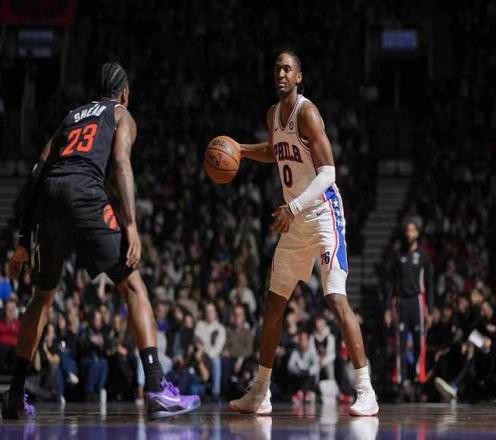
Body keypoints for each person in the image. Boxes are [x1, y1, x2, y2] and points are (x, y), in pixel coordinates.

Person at [2, 63, 200, 419]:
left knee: (42, 298)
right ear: (124, 93)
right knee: (134, 287)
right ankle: (156, 387)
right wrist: (131, 225)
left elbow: (37, 172)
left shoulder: (71, 117)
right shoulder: (121, 114)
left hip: (49, 198)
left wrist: (22, 240)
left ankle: (15, 395)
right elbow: (121, 163)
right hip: (85, 194)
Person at [229, 49, 378, 416]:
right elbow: (276, 151)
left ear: (299, 77)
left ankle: (366, 390)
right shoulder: (272, 115)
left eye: (287, 69)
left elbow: (329, 173)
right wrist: (242, 151)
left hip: (324, 214)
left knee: (335, 298)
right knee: (273, 304)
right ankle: (260, 392)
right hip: (295, 220)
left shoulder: (307, 113)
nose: (281, 73)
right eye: (277, 68)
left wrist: (293, 207)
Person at [385, 218, 434, 400]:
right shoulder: (399, 255)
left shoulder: (423, 257)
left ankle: (418, 382)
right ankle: (400, 383)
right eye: (407, 230)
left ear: (418, 233)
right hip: (401, 303)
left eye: (412, 230)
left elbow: (429, 284)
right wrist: (388, 309)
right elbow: (391, 283)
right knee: (401, 344)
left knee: (419, 342)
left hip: (417, 302)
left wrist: (430, 309)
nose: (409, 234)